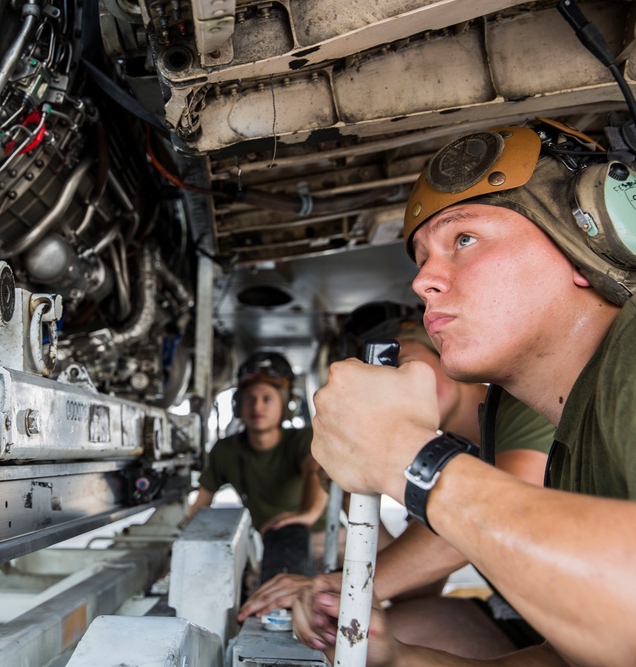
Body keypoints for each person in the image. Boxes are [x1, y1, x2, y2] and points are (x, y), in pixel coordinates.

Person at [293, 119, 636, 667]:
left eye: (464, 238)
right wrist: (399, 660)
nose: (423, 279)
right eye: (424, 257)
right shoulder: (571, 430)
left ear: (581, 246)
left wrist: (407, 460)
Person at [240, 303, 555, 659]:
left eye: (403, 361)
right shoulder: (439, 459)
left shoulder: (519, 406)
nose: (398, 379)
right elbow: (417, 587)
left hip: (596, 628)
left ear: (439, 350)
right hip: (524, 622)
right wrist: (351, 495)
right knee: (347, 642)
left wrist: (351, 586)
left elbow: (496, 515)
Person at [186, 351, 328, 583]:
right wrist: (181, 546)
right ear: (238, 404)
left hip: (324, 536)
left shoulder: (302, 439)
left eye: (267, 398)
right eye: (249, 398)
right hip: (276, 543)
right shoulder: (226, 451)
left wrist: (308, 515)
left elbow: (315, 471)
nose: (257, 406)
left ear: (285, 404)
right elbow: (202, 503)